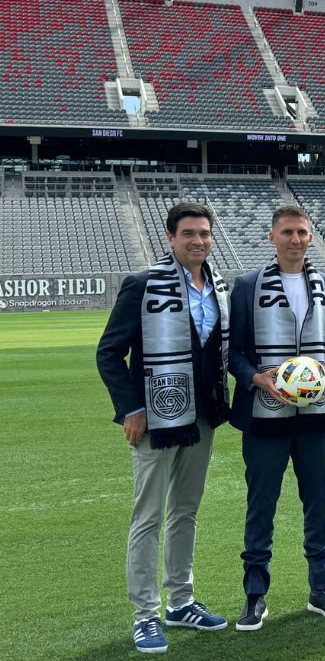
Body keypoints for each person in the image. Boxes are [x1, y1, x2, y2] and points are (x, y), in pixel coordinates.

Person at [97, 201, 231, 653]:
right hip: (156, 417)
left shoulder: (219, 286)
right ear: (171, 238)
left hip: (203, 417)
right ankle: (145, 614)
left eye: (205, 234)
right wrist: (131, 408)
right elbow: (109, 353)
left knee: (185, 513)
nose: (199, 241)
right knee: (148, 517)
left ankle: (181, 600)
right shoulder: (142, 284)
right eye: (189, 234)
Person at [227, 204, 325, 630]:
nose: (295, 239)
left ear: (310, 238)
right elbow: (234, 352)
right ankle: (255, 595)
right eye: (287, 233)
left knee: (318, 504)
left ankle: (320, 588)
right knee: (261, 505)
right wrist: (257, 379)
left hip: (317, 415)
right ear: (271, 238)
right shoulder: (246, 285)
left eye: (302, 232)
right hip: (265, 417)